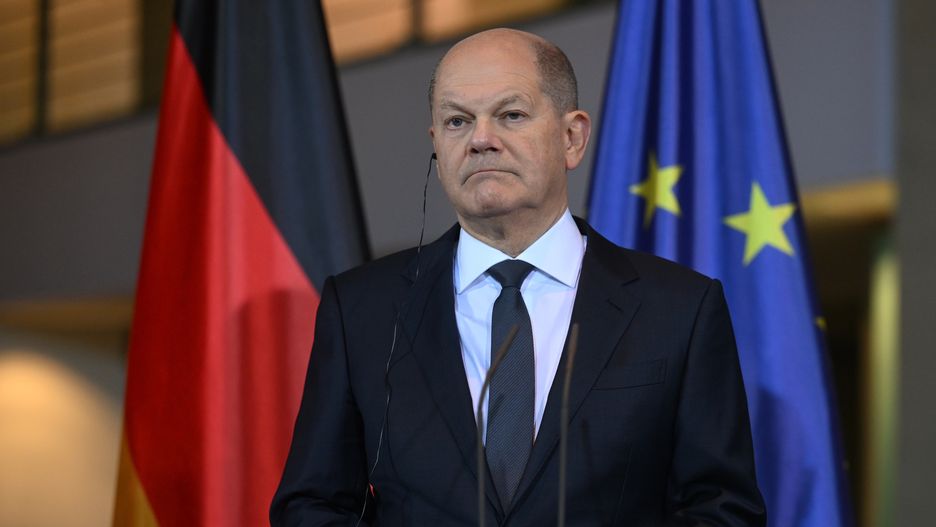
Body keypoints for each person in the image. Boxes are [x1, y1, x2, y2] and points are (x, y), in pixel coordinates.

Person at [271, 28, 766, 526]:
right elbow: (313, 506)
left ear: (572, 137)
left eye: (510, 115)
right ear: (437, 148)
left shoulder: (679, 308)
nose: (481, 140)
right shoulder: (362, 310)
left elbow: (722, 510)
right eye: (457, 121)